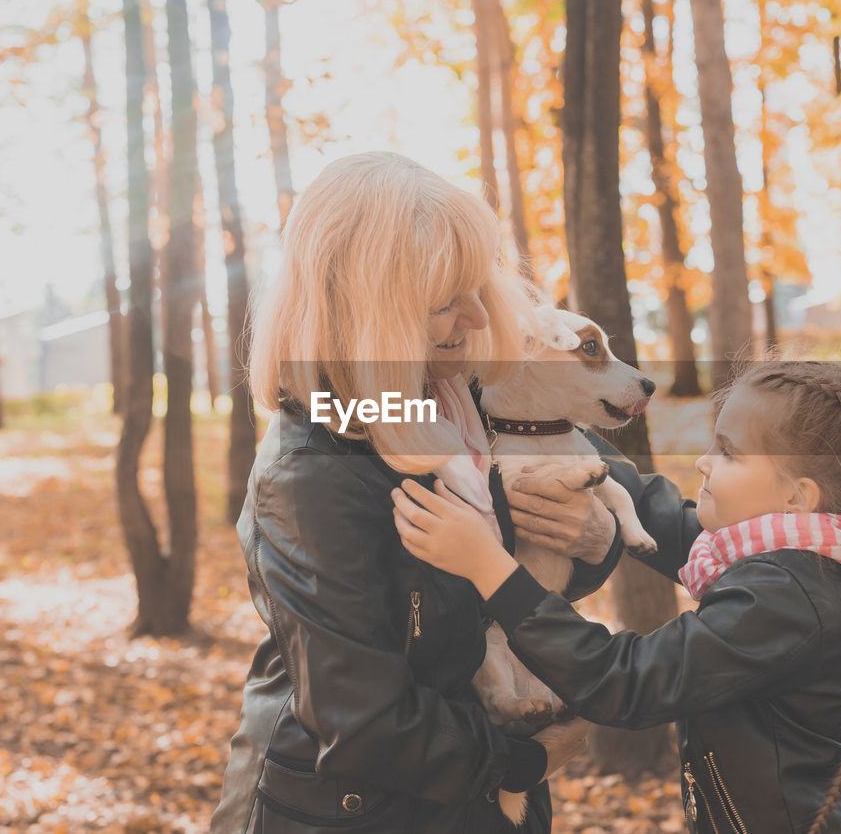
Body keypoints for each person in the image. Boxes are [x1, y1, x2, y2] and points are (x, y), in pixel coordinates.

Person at [211, 151, 675, 833]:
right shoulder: (310, 475)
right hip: (355, 808)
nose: (479, 317)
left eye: (477, 286)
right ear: (375, 313)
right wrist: (525, 760)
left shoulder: (461, 399)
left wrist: (601, 541)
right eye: (446, 301)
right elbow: (365, 720)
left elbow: (587, 521)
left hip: (476, 793)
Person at [394, 361, 841, 834]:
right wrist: (549, 430)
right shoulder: (798, 564)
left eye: (729, 453)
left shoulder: (785, 600)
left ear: (796, 497)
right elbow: (673, 524)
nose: (704, 463)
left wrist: (492, 570)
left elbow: (626, 682)